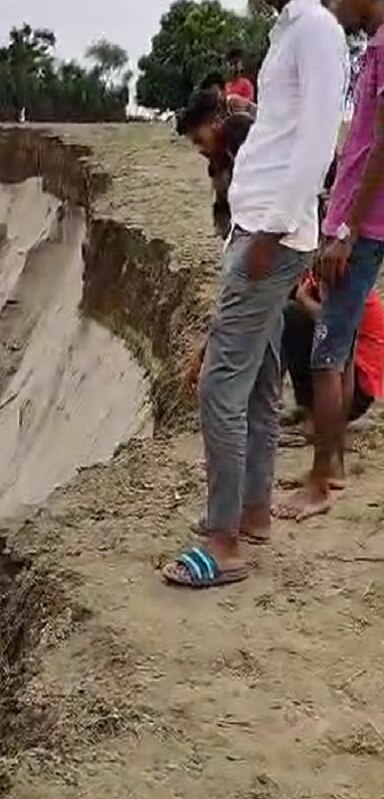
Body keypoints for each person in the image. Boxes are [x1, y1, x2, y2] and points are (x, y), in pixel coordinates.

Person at [164, 0, 347, 588]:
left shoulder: (315, 29)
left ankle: (224, 542)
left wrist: (273, 229)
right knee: (263, 379)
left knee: (222, 383)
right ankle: (254, 512)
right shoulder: (289, 28)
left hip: (271, 233)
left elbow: (319, 138)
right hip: (262, 229)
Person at [275, 0, 384, 520]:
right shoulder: (375, 47)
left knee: (328, 353)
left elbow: (380, 147)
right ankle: (331, 467)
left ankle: (322, 482)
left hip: (359, 230)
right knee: (330, 350)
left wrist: (346, 229)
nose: (333, 8)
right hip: (353, 225)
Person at [283, 269, 384, 441]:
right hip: (348, 374)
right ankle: (309, 408)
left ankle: (318, 419)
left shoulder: (346, 281)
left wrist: (304, 300)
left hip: (358, 388)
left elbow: (335, 325)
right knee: (289, 312)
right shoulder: (317, 276)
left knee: (293, 316)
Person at [176, 87, 255, 237]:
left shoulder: (243, 131)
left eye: (199, 140)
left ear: (216, 122)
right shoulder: (219, 162)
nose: (199, 149)